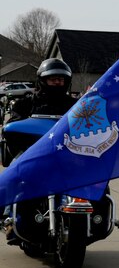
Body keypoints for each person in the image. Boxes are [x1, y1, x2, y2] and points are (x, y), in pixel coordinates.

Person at [3, 58, 78, 243]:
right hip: (33, 152)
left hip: (67, 153)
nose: (57, 82)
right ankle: (8, 218)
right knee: (15, 169)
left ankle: (97, 213)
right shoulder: (26, 103)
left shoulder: (75, 104)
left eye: (61, 79)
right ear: (43, 80)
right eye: (53, 79)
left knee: (98, 174)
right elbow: (12, 125)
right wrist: (17, 125)